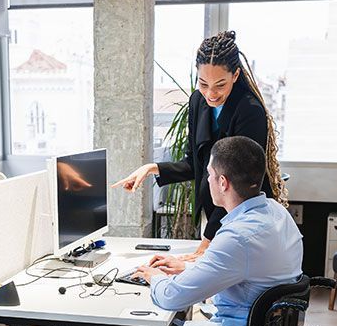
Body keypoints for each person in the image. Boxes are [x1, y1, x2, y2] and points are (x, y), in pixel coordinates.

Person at [95, 137, 303, 326]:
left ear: (223, 182)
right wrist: (183, 267)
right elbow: (236, 269)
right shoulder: (274, 213)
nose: (206, 181)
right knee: (175, 316)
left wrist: (153, 277)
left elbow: (171, 297)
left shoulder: (238, 236)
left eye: (208, 175)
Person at [114, 30, 287, 262]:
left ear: (235, 75)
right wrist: (150, 168)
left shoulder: (249, 111)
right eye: (203, 83)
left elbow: (237, 185)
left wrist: (207, 241)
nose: (210, 94)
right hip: (215, 211)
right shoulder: (197, 101)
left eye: (220, 85)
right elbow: (193, 163)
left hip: (246, 216)